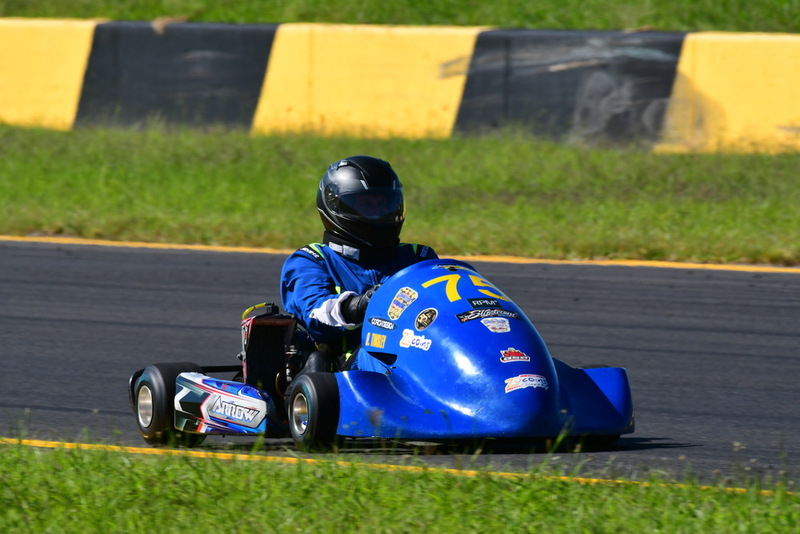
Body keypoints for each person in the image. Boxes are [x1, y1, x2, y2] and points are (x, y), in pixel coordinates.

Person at [280, 155, 437, 379]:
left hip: (423, 354)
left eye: (383, 204)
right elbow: (315, 314)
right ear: (337, 206)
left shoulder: (419, 257)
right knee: (383, 358)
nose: (379, 215)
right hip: (352, 371)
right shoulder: (312, 260)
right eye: (366, 205)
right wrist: (360, 305)